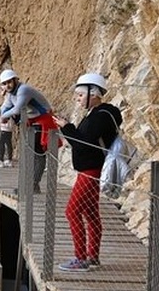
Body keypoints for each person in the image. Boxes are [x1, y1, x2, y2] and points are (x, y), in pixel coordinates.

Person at [52, 73, 122, 272]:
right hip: (91, 168)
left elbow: (83, 143)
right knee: (90, 213)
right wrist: (69, 128)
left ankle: (81, 258)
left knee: (72, 211)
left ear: (94, 94)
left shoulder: (99, 116)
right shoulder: (98, 114)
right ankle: (92, 256)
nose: (77, 99)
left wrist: (67, 127)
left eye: (81, 95)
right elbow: (85, 140)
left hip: (90, 170)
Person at [0, 69, 58, 193]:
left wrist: (4, 116)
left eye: (9, 82)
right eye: (4, 83)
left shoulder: (23, 90)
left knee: (37, 153)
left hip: (42, 120)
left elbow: (17, 109)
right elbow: (5, 106)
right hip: (33, 122)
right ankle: (31, 185)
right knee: (31, 153)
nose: (7, 86)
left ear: (15, 80)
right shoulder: (11, 94)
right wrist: (3, 114)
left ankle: (33, 185)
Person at [0, 91, 14, 167]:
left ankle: (1, 160)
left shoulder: (9, 102)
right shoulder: (9, 101)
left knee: (2, 142)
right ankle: (9, 159)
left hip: (6, 126)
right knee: (8, 142)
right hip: (7, 126)